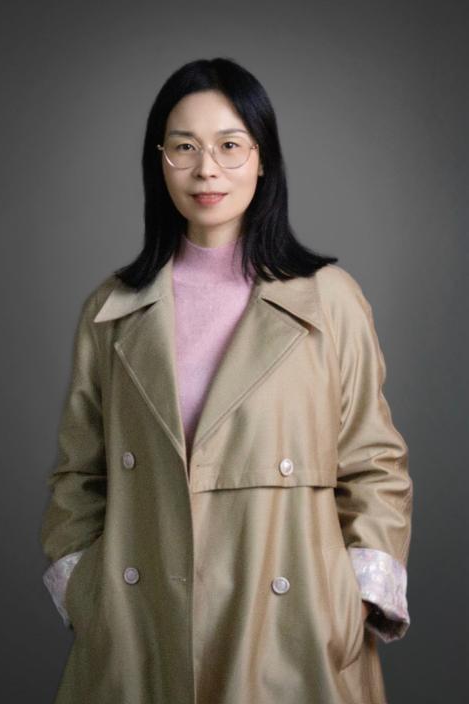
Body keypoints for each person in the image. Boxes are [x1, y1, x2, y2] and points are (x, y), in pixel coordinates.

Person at [40, 57, 413, 704]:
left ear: (262, 159)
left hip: (293, 634)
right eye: (183, 147)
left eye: (230, 145)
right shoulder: (112, 310)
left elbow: (373, 464)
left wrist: (349, 605)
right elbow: (79, 475)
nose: (206, 169)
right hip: (140, 633)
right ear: (159, 161)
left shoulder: (328, 301)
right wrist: (88, 594)